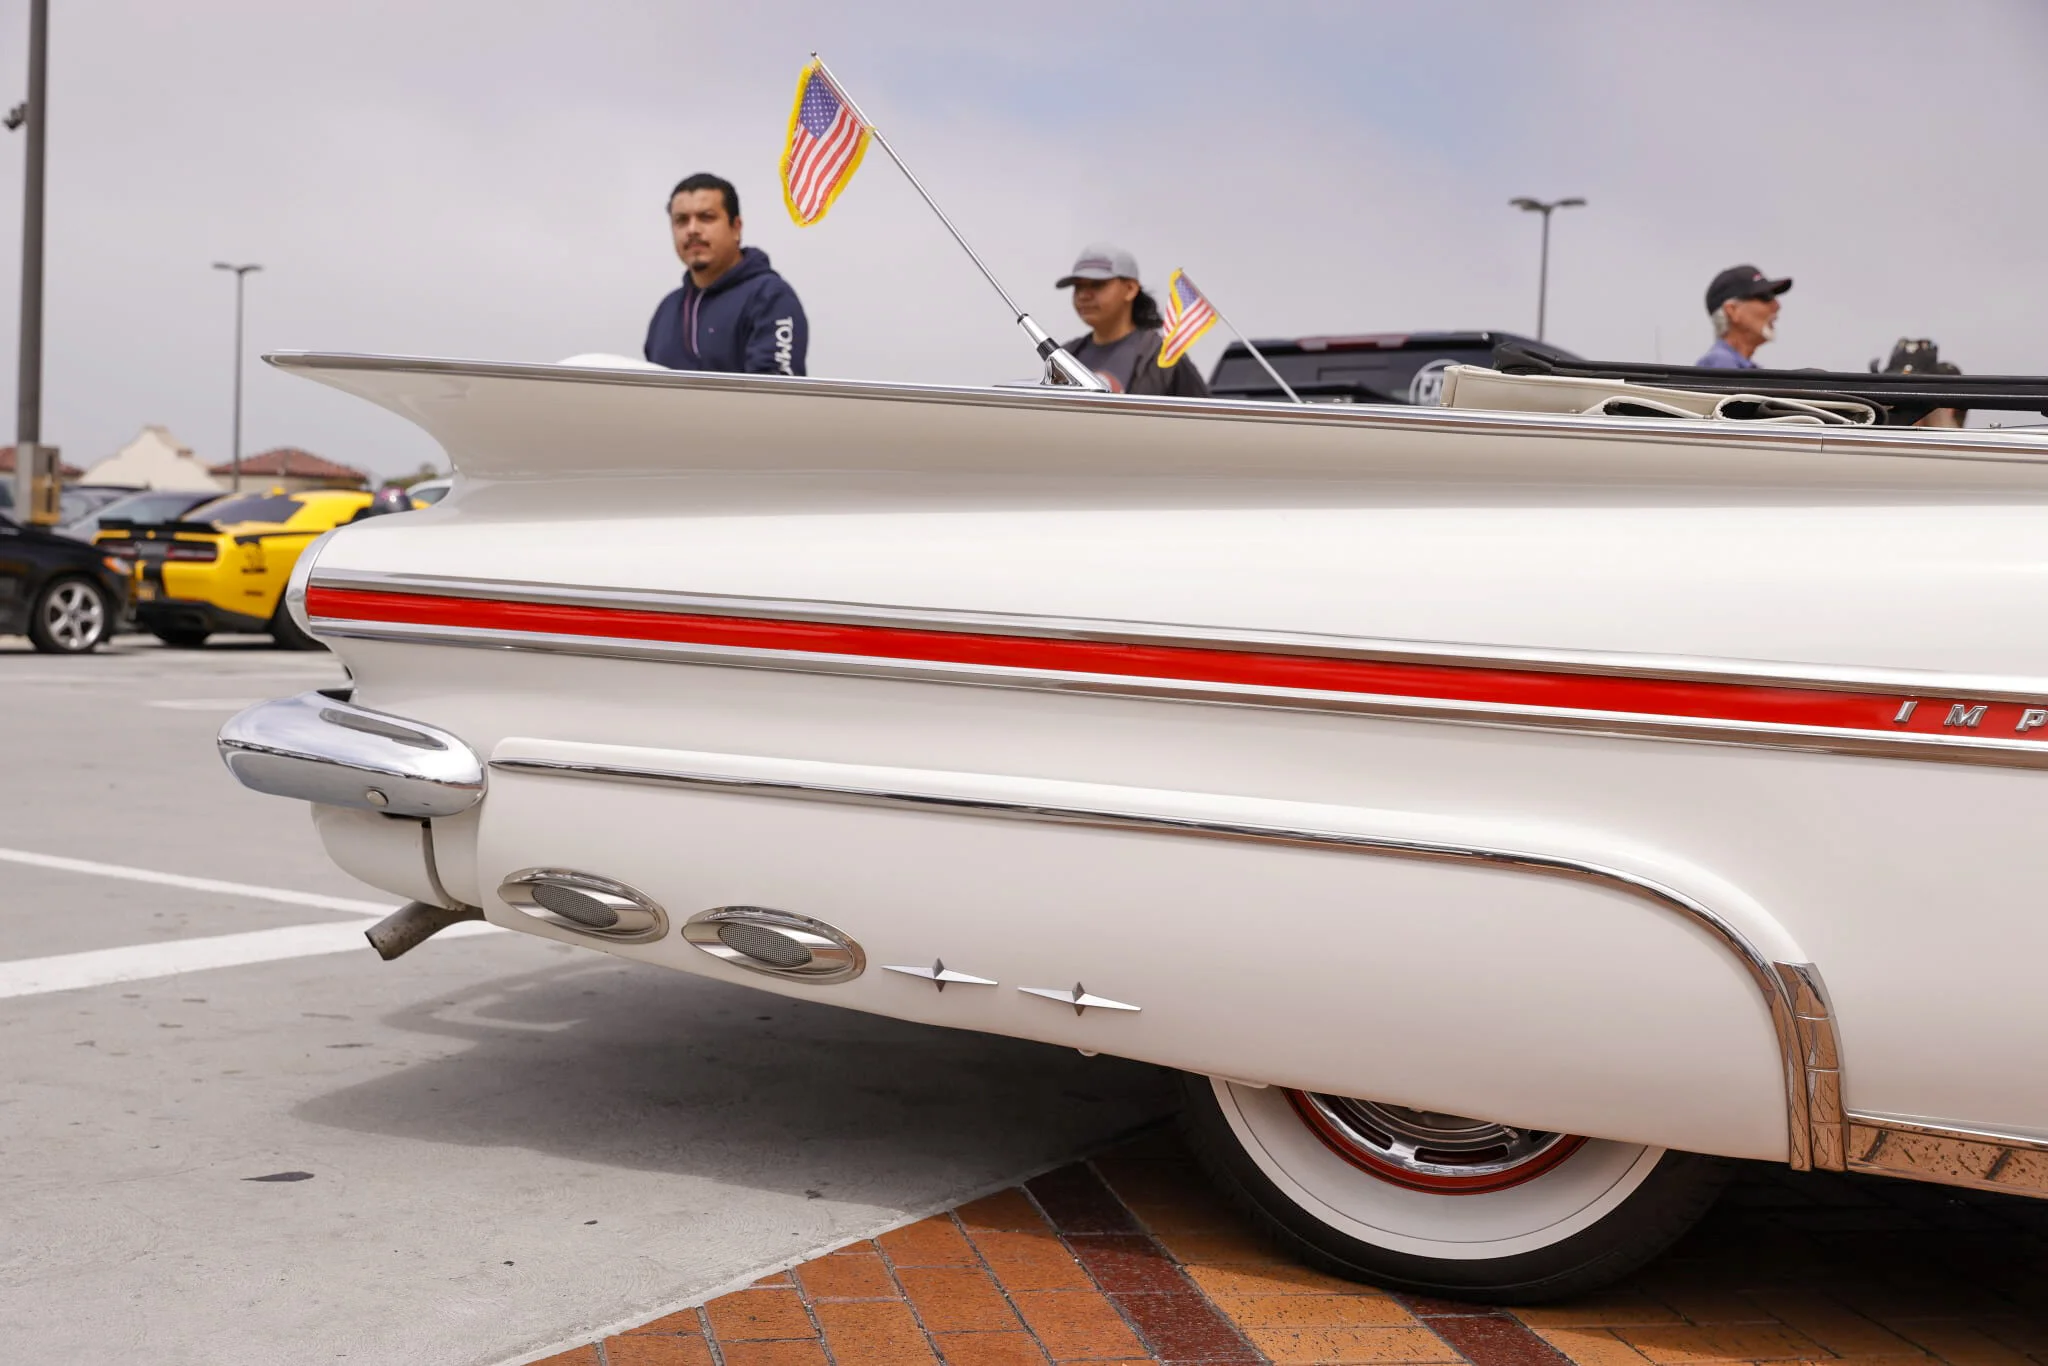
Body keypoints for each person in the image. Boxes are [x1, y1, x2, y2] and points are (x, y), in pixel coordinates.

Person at [644, 173, 809, 376]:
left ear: (736, 227)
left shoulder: (770, 297)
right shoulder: (666, 311)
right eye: (681, 220)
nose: (692, 229)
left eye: (706, 217)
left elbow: (775, 391)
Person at [1057, 244, 1209, 396]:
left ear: (1130, 289)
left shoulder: (1162, 357)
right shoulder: (1065, 357)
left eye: (1097, 285)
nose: (1083, 295)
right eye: (1078, 287)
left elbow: (1203, 410)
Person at [1696, 265, 1791, 369]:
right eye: (1765, 297)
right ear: (1732, 311)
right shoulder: (1720, 361)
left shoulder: (1736, 365)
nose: (1777, 305)